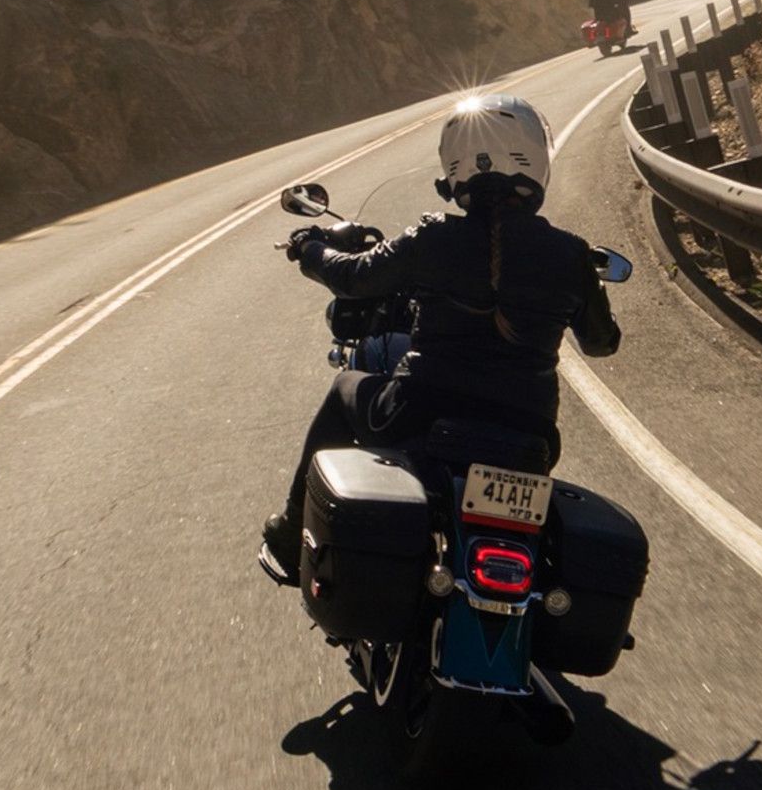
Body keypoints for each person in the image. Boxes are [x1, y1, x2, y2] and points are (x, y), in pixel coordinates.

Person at [260, 94, 622, 584]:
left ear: (455, 169)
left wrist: (309, 246)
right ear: (536, 159)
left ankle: (289, 535)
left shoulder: (432, 238)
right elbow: (601, 344)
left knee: (345, 388)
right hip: (528, 435)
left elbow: (352, 277)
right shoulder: (570, 254)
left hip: (419, 412)